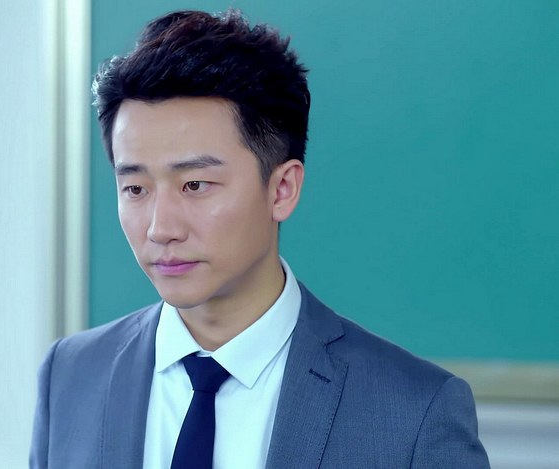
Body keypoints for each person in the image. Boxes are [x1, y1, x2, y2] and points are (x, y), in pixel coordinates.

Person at [30, 9, 489, 469]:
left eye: (195, 185)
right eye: (135, 189)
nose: (160, 228)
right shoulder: (70, 375)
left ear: (282, 189)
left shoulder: (415, 413)